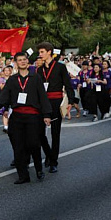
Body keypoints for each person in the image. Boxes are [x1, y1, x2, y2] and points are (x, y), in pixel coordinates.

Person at [0, 52, 52, 183]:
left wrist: (47, 115)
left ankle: (38, 169)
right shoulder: (13, 79)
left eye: (24, 59)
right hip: (17, 116)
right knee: (18, 146)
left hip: (33, 116)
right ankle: (23, 175)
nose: (22, 62)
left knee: (33, 144)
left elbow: (43, 97)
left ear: (28, 61)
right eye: (19, 60)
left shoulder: (36, 78)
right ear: (16, 63)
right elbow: (4, 95)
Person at [36, 42, 74, 173]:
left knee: (55, 133)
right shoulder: (39, 70)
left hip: (56, 101)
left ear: (49, 52)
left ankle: (53, 162)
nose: (40, 55)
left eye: (42, 52)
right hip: (42, 103)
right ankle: (48, 154)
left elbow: (68, 84)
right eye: (39, 52)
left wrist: (70, 101)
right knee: (40, 132)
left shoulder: (60, 67)